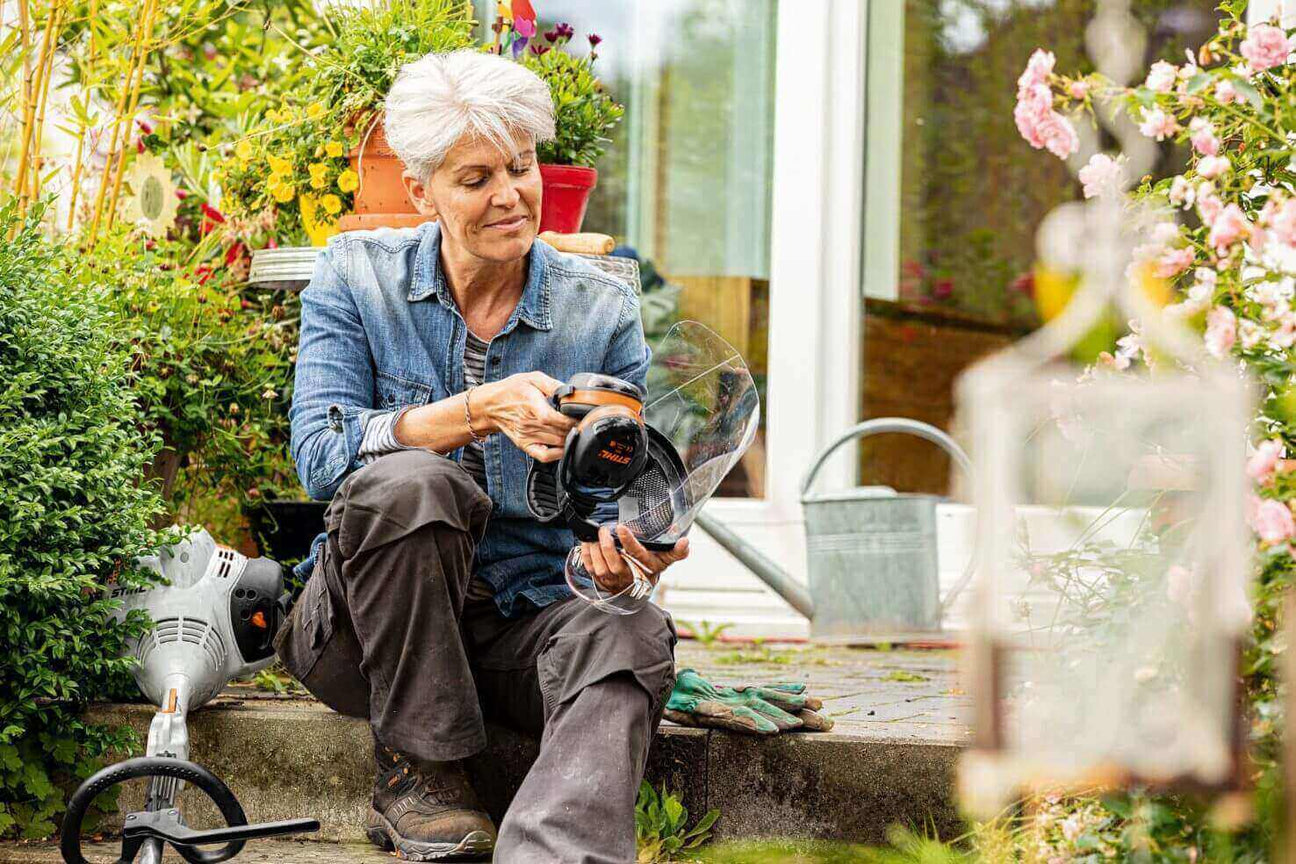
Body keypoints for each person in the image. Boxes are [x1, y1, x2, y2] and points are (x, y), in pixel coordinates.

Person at [276, 49, 689, 863]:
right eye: (475, 179)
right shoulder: (355, 277)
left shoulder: (599, 307)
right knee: (414, 483)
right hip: (362, 636)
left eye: (522, 167)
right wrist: (473, 413)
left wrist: (629, 556)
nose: (509, 195)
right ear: (421, 193)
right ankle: (419, 777)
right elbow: (321, 458)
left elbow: (614, 500)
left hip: (520, 627)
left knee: (634, 634)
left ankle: (552, 850)